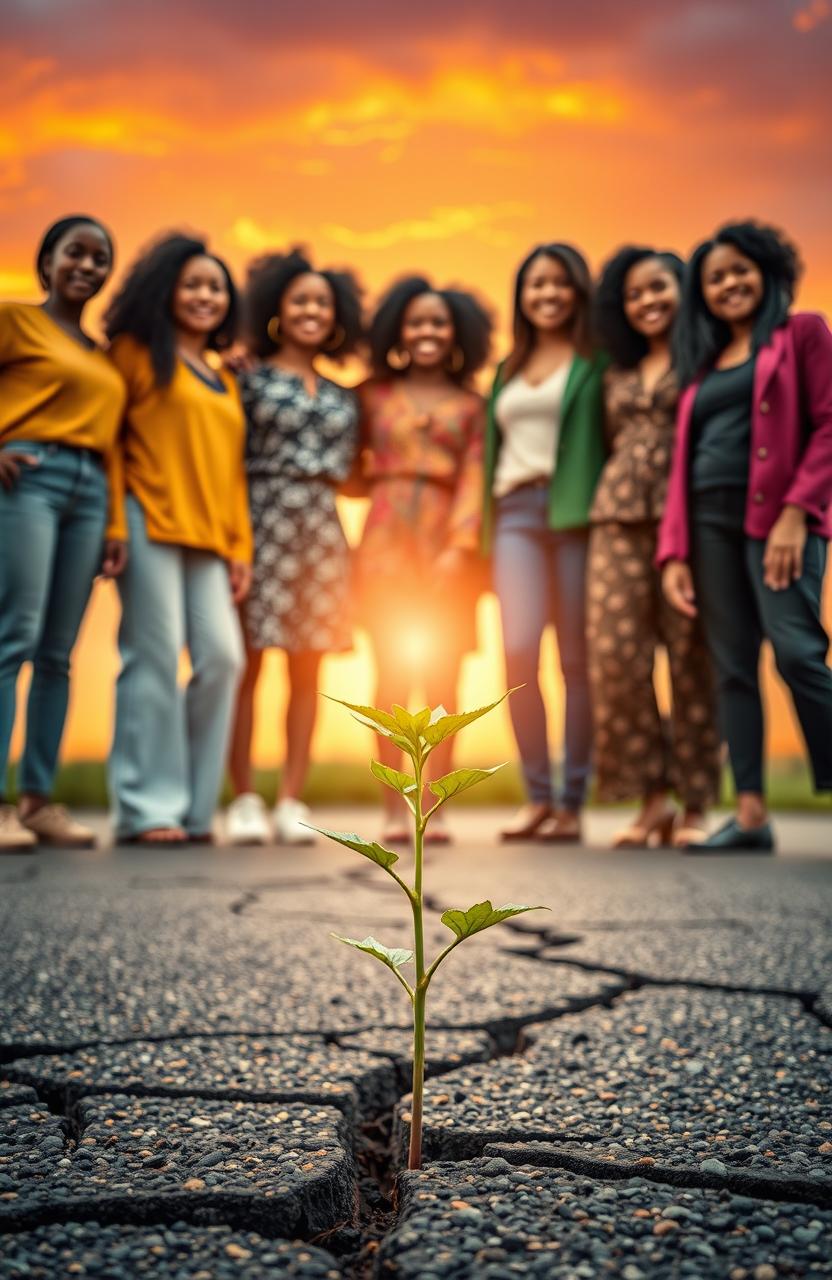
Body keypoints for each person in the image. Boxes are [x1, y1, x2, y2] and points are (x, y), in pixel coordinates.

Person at [659, 221, 832, 852]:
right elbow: (685, 465)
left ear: (768, 271)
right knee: (732, 667)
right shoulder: (702, 366)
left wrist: (798, 511)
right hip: (707, 523)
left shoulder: (803, 334)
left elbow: (828, 425)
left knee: (796, 651)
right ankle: (752, 815)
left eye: (739, 270)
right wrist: (674, 552)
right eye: (714, 278)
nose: (728, 284)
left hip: (779, 520)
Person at [105, 234, 251, 845]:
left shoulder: (223, 376)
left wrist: (239, 546)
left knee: (223, 658)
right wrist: (113, 524)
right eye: (192, 284)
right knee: (154, 659)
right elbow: (108, 442)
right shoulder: (135, 354)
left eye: (215, 287)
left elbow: (231, 469)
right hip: (147, 520)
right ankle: (145, 808)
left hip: (210, 539)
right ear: (165, 289)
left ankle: (195, 810)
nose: (204, 296)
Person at [225, 249, 362, 847]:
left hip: (323, 532)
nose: (311, 310)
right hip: (261, 521)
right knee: (248, 664)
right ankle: (245, 798)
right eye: (300, 299)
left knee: (308, 669)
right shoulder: (247, 377)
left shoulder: (343, 394)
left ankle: (291, 799)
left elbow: (354, 470)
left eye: (323, 303)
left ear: (338, 318)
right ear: (277, 307)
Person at [0, 215, 126, 852]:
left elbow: (116, 449)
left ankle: (39, 802)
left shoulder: (103, 356)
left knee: (58, 652)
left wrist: (114, 524)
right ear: (45, 260)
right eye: (75, 252)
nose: (88, 266)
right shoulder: (14, 320)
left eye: (100, 258)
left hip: (91, 492)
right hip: (29, 478)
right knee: (12, 636)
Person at [589, 247, 721, 848]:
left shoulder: (707, 362)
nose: (647, 301)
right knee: (617, 657)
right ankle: (650, 800)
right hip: (616, 516)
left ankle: (696, 802)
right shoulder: (615, 372)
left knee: (691, 655)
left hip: (687, 518)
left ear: (683, 288)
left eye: (658, 287)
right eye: (634, 293)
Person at [355, 276, 492, 844]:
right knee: (389, 677)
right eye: (416, 322)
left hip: (447, 546)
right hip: (384, 543)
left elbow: (476, 476)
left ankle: (433, 805)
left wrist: (459, 549)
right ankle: (393, 806)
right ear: (397, 331)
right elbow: (342, 460)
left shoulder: (472, 405)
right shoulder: (371, 396)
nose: (427, 331)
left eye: (438, 322)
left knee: (442, 683)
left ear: (456, 333)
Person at [484, 243, 607, 843]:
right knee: (516, 649)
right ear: (521, 296)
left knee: (577, 660)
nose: (548, 294)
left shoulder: (594, 362)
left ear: (577, 292)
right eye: (536, 284)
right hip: (515, 515)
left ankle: (572, 802)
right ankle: (538, 796)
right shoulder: (507, 369)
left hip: (575, 514)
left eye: (559, 284)